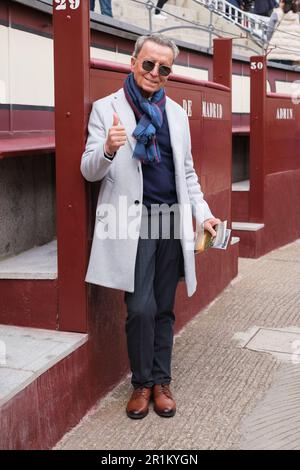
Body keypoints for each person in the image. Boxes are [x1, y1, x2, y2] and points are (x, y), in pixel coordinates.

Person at [81, 33, 220, 419]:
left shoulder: (175, 113)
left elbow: (187, 173)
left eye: (164, 68)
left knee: (163, 308)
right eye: (148, 64)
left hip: (171, 222)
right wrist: (108, 147)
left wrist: (203, 212)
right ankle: (141, 383)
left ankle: (161, 382)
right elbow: (89, 171)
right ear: (133, 62)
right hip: (131, 223)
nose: (155, 73)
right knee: (140, 308)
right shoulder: (105, 109)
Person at [267, 0, 300, 65]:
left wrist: (269, 42)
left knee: (273, 72)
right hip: (291, 52)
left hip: (275, 50)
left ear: (282, 2)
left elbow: (269, 31)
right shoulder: (298, 15)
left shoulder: (276, 13)